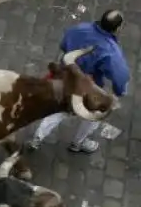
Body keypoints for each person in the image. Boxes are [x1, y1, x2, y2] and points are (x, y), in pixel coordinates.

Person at [27, 10, 128, 154]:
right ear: (118, 28)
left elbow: (64, 44)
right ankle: (78, 143)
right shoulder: (111, 51)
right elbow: (120, 76)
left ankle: (37, 137)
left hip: (65, 78)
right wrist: (119, 92)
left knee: (59, 110)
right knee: (95, 114)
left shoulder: (80, 28)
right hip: (87, 87)